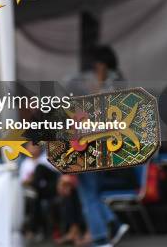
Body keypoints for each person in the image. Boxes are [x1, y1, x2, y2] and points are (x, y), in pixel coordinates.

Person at [68, 46, 130, 247]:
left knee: (87, 192)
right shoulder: (118, 81)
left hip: (98, 145)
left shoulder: (109, 86)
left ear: (101, 65)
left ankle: (101, 238)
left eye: (96, 66)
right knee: (89, 191)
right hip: (109, 145)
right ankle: (112, 222)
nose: (94, 71)